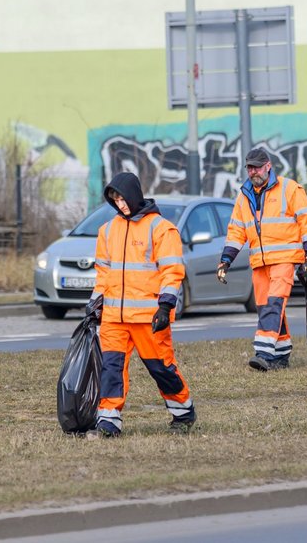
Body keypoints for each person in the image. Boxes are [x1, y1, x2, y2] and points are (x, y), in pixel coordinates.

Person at [86, 172, 197, 437]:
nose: (120, 204)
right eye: (115, 200)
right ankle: (109, 421)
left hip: (149, 317)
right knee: (111, 368)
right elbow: (103, 272)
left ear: (133, 196)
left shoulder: (160, 228)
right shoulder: (108, 230)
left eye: (123, 198)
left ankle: (183, 412)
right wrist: (94, 303)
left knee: (161, 369)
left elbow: (172, 271)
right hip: (114, 317)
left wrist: (165, 306)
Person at [217, 148, 307, 371]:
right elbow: (236, 231)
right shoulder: (244, 195)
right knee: (266, 307)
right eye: (249, 167)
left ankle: (263, 353)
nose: (253, 172)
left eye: (257, 167)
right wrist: (226, 260)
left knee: (274, 303)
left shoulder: (289, 188)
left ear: (268, 166)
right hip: (260, 262)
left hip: (285, 259)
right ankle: (281, 355)